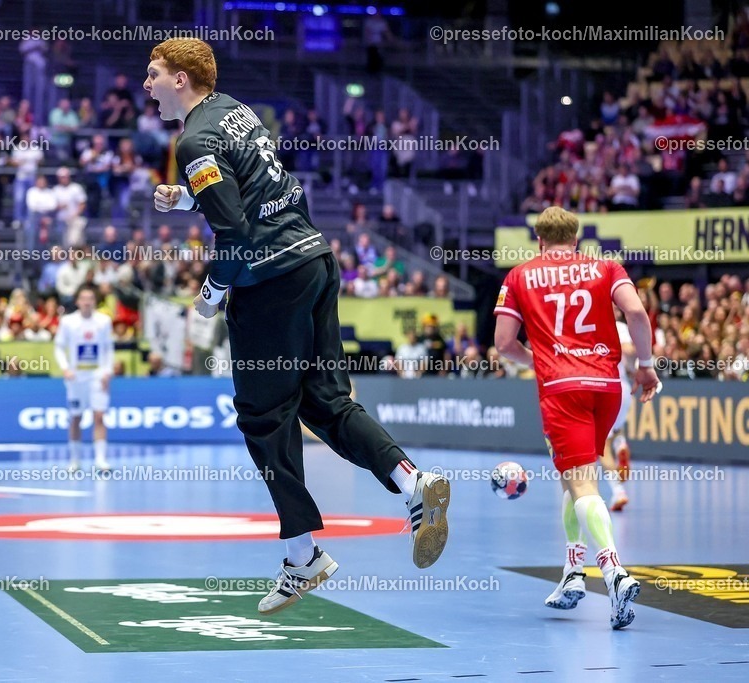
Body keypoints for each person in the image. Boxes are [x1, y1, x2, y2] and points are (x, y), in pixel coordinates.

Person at [145, 38, 451, 615]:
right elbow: (248, 196)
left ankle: (304, 556)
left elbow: (233, 232)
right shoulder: (235, 112)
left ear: (181, 79)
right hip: (314, 261)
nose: (147, 84)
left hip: (270, 282)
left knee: (264, 418)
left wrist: (211, 295)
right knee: (326, 401)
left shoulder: (193, 139)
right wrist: (186, 199)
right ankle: (414, 483)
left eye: (153, 74)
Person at [493, 206, 661, 630]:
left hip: (561, 389)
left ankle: (614, 571)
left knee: (582, 480)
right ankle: (572, 572)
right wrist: (645, 364)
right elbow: (638, 314)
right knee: (576, 475)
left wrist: (539, 360)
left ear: (540, 241)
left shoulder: (519, 276)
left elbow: (504, 344)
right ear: (577, 238)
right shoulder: (606, 268)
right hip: (607, 388)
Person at [53, 284, 114, 473]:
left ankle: (101, 460)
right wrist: (65, 369)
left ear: (95, 301)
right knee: (76, 417)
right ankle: (75, 460)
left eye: (90, 298)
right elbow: (58, 347)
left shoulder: (104, 321)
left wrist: (107, 371)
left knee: (99, 416)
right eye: (83, 298)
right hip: (76, 377)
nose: (87, 302)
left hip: (97, 375)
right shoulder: (68, 322)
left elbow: (108, 348)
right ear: (78, 301)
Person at [600, 306, 634, 511]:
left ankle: (618, 492)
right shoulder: (622, 327)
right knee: (616, 430)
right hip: (624, 388)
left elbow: (627, 349)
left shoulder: (599, 328)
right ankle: (621, 444)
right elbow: (630, 354)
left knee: (602, 446)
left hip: (604, 390)